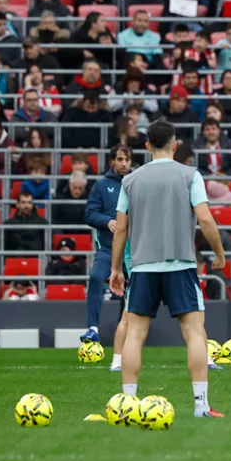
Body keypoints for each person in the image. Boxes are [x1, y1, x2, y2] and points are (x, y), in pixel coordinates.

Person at [109, 119, 229, 419]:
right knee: (195, 333)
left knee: (135, 334)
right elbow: (206, 219)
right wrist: (219, 253)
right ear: (174, 145)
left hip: (143, 265)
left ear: (147, 145)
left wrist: (116, 269)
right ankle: (201, 405)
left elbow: (120, 228)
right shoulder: (190, 175)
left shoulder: (130, 181)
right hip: (180, 263)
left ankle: (127, 404)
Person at [79, 145, 133, 348]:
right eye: (120, 159)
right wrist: (106, 221)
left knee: (130, 290)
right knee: (95, 277)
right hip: (108, 249)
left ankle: (124, 331)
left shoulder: (136, 183)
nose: (124, 164)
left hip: (132, 250)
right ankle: (93, 328)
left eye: (127, 160)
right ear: (112, 161)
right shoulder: (102, 186)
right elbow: (89, 214)